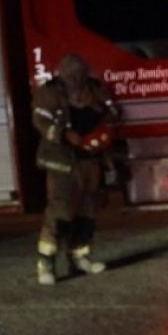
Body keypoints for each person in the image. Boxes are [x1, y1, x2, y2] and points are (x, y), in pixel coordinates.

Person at [32, 54, 119, 285]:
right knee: (60, 211)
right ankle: (46, 264)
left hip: (91, 160)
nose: (75, 76)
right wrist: (63, 134)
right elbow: (41, 121)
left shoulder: (96, 89)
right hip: (62, 162)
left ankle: (80, 257)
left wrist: (102, 128)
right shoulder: (49, 92)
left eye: (80, 71)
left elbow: (113, 112)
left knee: (87, 211)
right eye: (71, 72)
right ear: (61, 71)